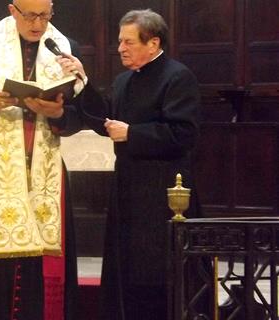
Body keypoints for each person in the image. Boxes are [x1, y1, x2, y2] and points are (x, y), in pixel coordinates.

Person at [60, 9, 202, 320]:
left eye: (128, 42)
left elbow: (184, 134)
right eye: (120, 41)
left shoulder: (178, 77)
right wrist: (83, 83)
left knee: (155, 270)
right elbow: (104, 121)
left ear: (153, 43)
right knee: (126, 268)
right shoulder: (124, 80)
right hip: (127, 190)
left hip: (163, 191)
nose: (121, 48)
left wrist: (132, 133)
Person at [0, 0, 85, 319]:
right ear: (13, 11)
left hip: (45, 164)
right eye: (31, 15)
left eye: (45, 15)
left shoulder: (64, 48)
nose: (39, 24)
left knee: (40, 257)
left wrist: (60, 114)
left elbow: (81, 116)